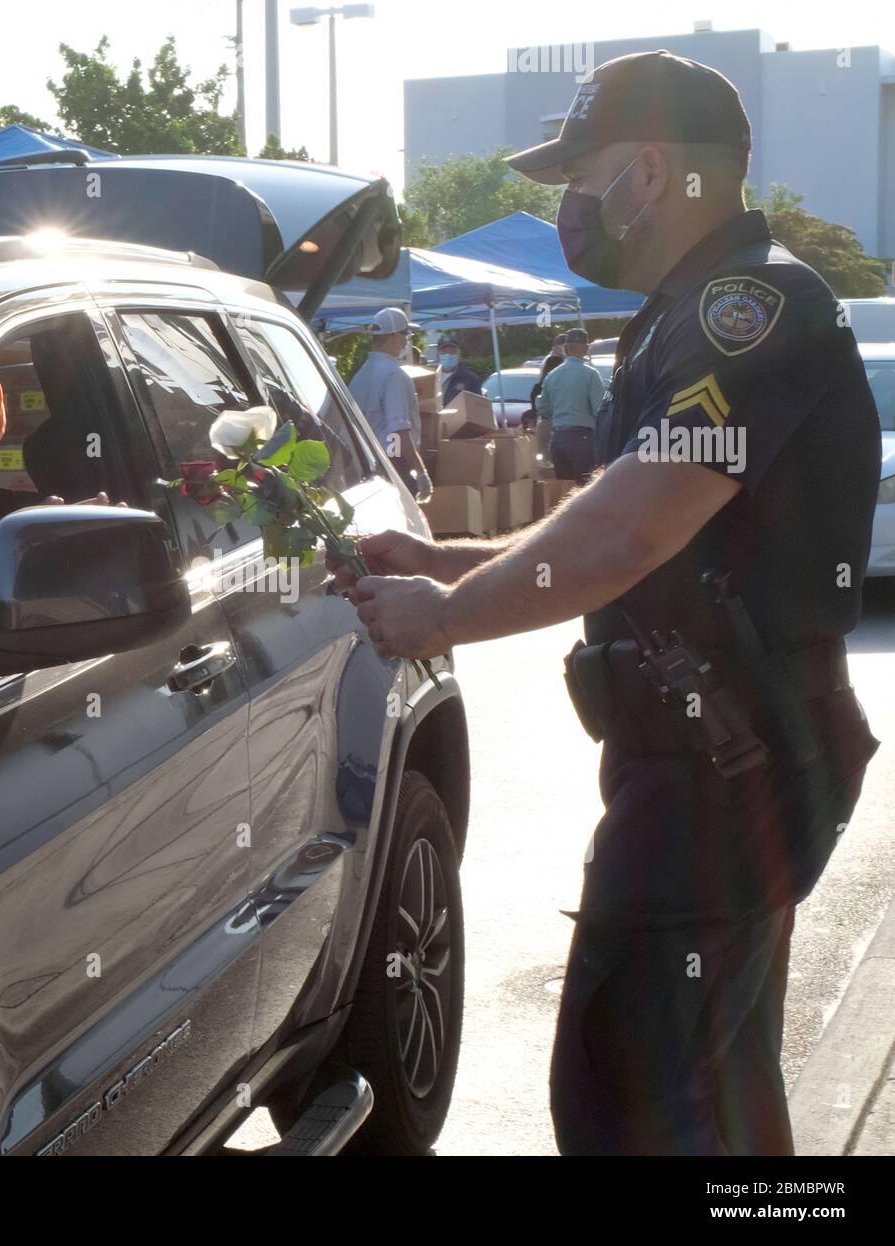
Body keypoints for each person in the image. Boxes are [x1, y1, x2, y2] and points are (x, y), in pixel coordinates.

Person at [331, 49, 880, 1156]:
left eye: (576, 180)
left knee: (624, 1100)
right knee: (717, 1094)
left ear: (646, 171)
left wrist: (444, 619)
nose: (569, 209)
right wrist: (453, 559)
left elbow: (633, 528)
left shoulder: (748, 302)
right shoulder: (694, 308)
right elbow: (627, 523)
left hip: (725, 771)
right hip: (721, 760)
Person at [348, 306, 432, 501]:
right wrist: (419, 471)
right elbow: (398, 431)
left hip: (366, 461)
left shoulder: (361, 375)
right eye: (405, 334)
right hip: (393, 462)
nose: (405, 340)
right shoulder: (395, 375)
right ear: (394, 336)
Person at [535, 327, 605, 482]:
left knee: (563, 490)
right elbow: (599, 409)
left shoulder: (552, 376)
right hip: (583, 439)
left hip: (558, 439)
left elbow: (542, 408)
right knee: (584, 489)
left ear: (566, 348)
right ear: (586, 348)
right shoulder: (591, 374)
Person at [527, 350, 565, 452]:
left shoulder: (538, 387)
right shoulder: (564, 387)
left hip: (544, 423)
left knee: (542, 453)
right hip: (562, 425)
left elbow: (535, 408)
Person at [436, 335, 482, 408]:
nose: (448, 355)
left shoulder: (471, 379)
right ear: (437, 354)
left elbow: (478, 407)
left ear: (459, 354)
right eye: (444, 351)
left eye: (452, 351)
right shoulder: (431, 378)